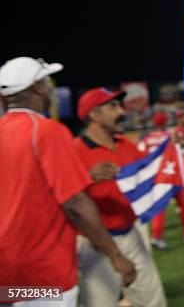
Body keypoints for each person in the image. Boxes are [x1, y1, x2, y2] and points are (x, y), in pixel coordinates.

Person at [0, 57, 135, 306]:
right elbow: (75, 203)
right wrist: (117, 257)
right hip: (42, 271)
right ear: (39, 88)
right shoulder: (46, 131)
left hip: (6, 274)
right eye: (47, 81)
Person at [73, 87, 167, 307]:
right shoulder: (73, 149)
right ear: (94, 115)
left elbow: (151, 171)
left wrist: (176, 150)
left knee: (152, 300)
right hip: (95, 242)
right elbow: (65, 198)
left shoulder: (125, 144)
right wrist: (88, 178)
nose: (121, 111)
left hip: (132, 233)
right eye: (113, 106)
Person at [140, 110, 184, 250]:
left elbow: (141, 157)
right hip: (172, 174)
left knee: (159, 207)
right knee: (183, 205)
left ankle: (156, 236)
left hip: (156, 177)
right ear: (165, 121)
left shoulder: (146, 139)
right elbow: (183, 146)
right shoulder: (171, 135)